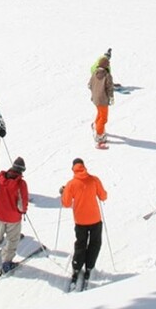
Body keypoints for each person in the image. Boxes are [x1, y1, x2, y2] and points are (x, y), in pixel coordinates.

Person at [61, 158, 107, 290]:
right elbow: (103, 196)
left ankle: (77, 267)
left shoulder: (71, 184)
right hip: (95, 219)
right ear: (84, 167)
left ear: (73, 169)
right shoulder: (94, 179)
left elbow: (66, 203)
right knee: (95, 243)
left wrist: (63, 193)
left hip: (80, 221)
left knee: (80, 244)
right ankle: (89, 266)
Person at [0, 157, 29, 274]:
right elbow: (22, 202)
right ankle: (6, 263)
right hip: (13, 218)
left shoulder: (0, 177)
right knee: (12, 239)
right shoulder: (20, 184)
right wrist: (22, 211)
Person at [88, 54, 114, 147]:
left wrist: (95, 93)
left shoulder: (94, 73)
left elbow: (89, 85)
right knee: (103, 118)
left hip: (95, 99)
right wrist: (111, 98)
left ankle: (95, 125)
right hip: (103, 99)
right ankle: (99, 136)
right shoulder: (107, 75)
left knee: (99, 113)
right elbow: (110, 88)